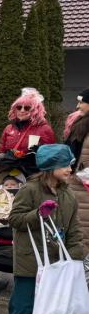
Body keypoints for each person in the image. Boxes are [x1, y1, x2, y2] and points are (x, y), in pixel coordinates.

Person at [4, 144, 86, 314]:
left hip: (59, 260)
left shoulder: (68, 195)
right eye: (65, 165)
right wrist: (37, 214)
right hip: (32, 260)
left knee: (65, 305)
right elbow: (15, 219)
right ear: (50, 167)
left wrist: (77, 255)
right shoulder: (30, 190)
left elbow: (73, 228)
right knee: (25, 304)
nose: (70, 169)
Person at [0, 87, 56, 157]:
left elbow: (50, 155)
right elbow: (1, 152)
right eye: (19, 107)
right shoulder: (9, 128)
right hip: (10, 166)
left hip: (31, 167)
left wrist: (39, 150)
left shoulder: (44, 129)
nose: (22, 110)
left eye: (27, 108)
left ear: (35, 110)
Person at [65, 89, 89, 252]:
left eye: (81, 102)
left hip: (80, 187)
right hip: (79, 185)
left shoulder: (82, 126)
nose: (77, 105)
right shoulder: (81, 124)